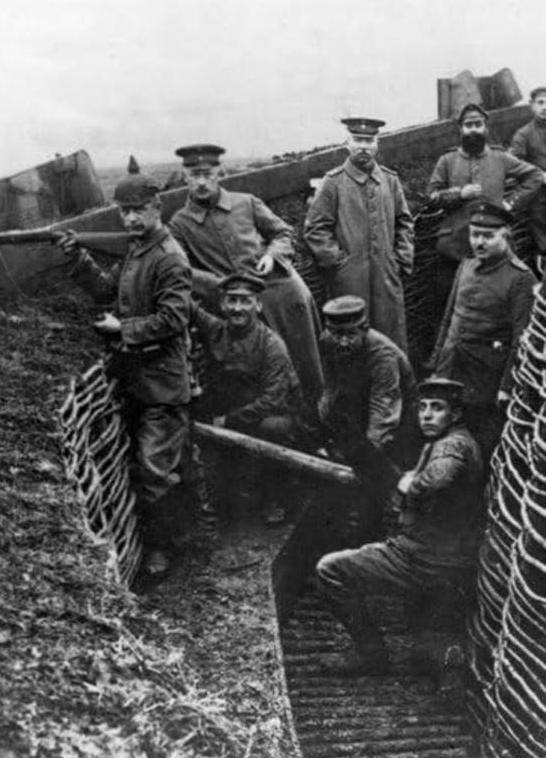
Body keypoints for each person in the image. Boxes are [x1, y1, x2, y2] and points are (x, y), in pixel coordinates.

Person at [56, 174, 192, 577]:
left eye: (138, 210)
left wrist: (123, 328)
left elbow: (174, 318)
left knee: (154, 469)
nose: (131, 218)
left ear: (157, 208)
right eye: (124, 211)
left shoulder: (169, 257)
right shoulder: (137, 251)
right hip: (136, 377)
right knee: (146, 464)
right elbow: (106, 291)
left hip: (163, 383)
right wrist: (79, 260)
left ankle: (164, 550)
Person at [315, 377, 484, 681]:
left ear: (456, 414)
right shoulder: (456, 439)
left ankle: (370, 655)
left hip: (422, 560)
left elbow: (439, 476)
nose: (427, 415)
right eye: (423, 408)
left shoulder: (453, 444)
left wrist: (413, 484)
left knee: (330, 570)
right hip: (443, 557)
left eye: (437, 408)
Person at [167, 143, 324, 407]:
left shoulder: (246, 202)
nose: (202, 182)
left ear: (220, 173)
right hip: (235, 301)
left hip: (277, 287)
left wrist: (271, 255)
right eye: (195, 175)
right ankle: (279, 417)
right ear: (186, 177)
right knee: (258, 366)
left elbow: (283, 233)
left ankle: (316, 411)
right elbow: (179, 269)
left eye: (208, 174)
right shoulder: (180, 223)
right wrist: (219, 284)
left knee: (304, 356)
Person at [192, 271, 310, 525]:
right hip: (237, 412)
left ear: (258, 305)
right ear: (223, 304)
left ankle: (276, 499)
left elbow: (273, 400)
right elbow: (187, 309)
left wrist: (229, 421)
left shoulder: (271, 345)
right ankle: (222, 498)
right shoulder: (216, 330)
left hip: (276, 415)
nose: (237, 308)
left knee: (273, 428)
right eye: (232, 300)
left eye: (245, 301)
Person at [429, 201, 537, 460]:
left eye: (488, 236)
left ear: (506, 235)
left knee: (478, 441)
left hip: (484, 377)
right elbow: (449, 318)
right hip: (450, 367)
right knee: (442, 435)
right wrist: (436, 362)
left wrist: (506, 387)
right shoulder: (466, 265)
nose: (480, 242)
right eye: (475, 234)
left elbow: (521, 339)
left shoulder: (521, 279)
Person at [303, 117, 415, 352]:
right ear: (347, 143)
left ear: (377, 144)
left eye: (369, 140)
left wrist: (400, 260)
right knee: (350, 337)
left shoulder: (390, 180)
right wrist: (338, 263)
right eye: (358, 140)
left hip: (386, 277)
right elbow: (315, 228)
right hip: (348, 280)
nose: (363, 146)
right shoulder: (333, 182)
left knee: (389, 337)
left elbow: (404, 222)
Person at [317, 296, 418, 538]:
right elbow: (331, 384)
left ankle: (381, 514)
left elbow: (383, 414)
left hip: (401, 416)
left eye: (350, 334)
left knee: (377, 474)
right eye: (336, 334)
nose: (342, 341)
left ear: (364, 329)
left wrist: (367, 457)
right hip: (358, 401)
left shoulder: (383, 356)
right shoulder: (327, 341)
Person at [427, 102, 540, 314]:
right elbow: (432, 196)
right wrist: (459, 194)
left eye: (478, 124)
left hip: (493, 242)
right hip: (455, 246)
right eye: (468, 125)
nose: (474, 130)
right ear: (460, 129)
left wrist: (510, 203)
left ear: (485, 128)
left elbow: (534, 176)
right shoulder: (447, 160)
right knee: (449, 301)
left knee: (499, 298)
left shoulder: (500, 157)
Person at [509, 86, 546, 262]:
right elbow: (512, 163)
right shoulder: (523, 134)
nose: (545, 107)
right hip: (540, 193)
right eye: (540, 102)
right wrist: (539, 174)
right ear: (532, 105)